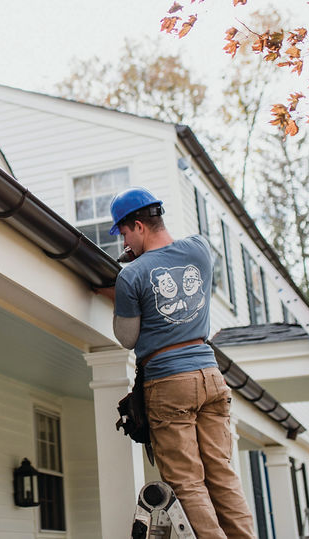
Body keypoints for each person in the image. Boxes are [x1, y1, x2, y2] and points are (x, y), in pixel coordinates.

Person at [103, 187, 256, 539]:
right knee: (221, 472)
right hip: (210, 374)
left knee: (187, 481)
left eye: (124, 232)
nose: (124, 241)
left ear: (138, 225)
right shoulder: (200, 249)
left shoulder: (132, 275)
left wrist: (126, 292)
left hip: (170, 382)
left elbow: (127, 338)